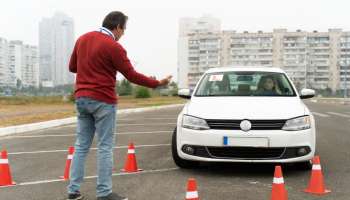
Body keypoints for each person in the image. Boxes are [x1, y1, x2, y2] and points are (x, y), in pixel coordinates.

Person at [67, 11, 172, 200]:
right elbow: (131, 75)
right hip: (103, 100)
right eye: (123, 30)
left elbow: (72, 67)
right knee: (105, 147)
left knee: (81, 146)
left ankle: (73, 191)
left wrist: (89, 66)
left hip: (82, 98)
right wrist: (157, 83)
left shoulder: (82, 39)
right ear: (117, 27)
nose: (123, 34)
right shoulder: (113, 47)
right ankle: (104, 193)